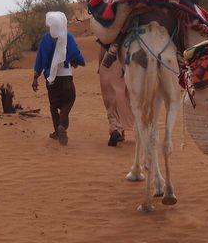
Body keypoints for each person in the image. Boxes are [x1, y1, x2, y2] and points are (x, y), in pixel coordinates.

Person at [32, 11, 85, 145]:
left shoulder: (46, 39)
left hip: (52, 79)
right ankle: (62, 125)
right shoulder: (68, 37)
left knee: (54, 105)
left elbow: (41, 58)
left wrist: (35, 77)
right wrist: (76, 62)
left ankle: (57, 129)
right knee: (69, 99)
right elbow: (75, 54)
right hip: (66, 77)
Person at [96, 40, 134, 146]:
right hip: (126, 62)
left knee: (111, 100)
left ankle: (115, 128)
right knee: (123, 97)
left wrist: (100, 66)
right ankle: (121, 130)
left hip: (109, 62)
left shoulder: (108, 35)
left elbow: (102, 49)